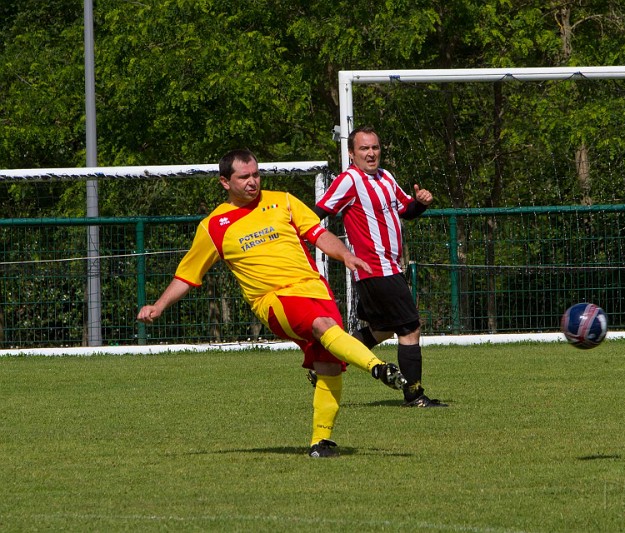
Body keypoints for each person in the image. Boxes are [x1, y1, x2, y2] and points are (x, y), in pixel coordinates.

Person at [136, 149, 407, 458]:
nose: (253, 182)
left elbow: (317, 233)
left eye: (256, 175)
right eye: (244, 177)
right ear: (225, 182)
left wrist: (344, 255)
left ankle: (321, 442)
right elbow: (187, 275)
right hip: (273, 300)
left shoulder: (284, 201)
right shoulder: (214, 226)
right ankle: (378, 368)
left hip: (315, 289)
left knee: (328, 364)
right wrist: (159, 306)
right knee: (323, 327)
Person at [311, 126, 447, 408]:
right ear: (351, 153)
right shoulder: (349, 181)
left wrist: (420, 204)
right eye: (364, 148)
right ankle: (415, 395)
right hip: (375, 268)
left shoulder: (386, 177)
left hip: (390, 267)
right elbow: (318, 213)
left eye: (375, 147)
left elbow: (405, 211)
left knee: (382, 329)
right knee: (410, 328)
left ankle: (327, 359)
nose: (371, 153)